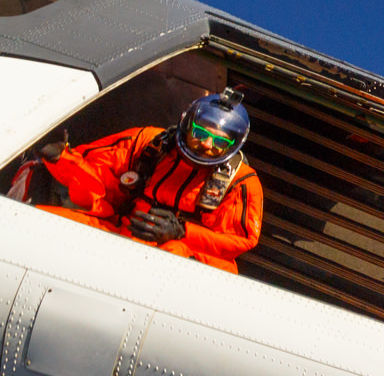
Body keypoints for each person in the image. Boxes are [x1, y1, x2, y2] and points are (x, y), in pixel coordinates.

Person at [28, 89, 263, 273]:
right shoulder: (150, 143)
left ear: (234, 146)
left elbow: (237, 241)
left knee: (191, 264)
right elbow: (96, 174)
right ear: (187, 124)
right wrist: (60, 157)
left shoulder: (241, 182)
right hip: (121, 231)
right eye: (200, 134)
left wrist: (181, 232)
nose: (207, 145)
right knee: (38, 223)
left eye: (220, 142)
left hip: (180, 254)